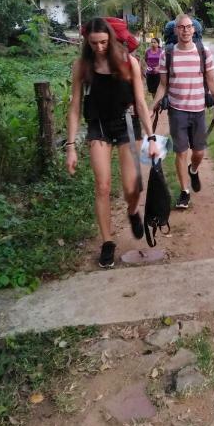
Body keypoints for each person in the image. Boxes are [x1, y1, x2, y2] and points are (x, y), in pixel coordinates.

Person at [66, 17, 159, 269]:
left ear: (112, 39)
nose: (99, 47)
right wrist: (71, 146)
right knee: (102, 186)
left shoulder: (129, 63)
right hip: (98, 126)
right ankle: (107, 242)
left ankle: (131, 211)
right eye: (94, 43)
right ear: (87, 41)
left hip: (127, 123)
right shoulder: (82, 66)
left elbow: (140, 103)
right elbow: (74, 107)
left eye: (104, 42)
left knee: (133, 187)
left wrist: (151, 138)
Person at [153, 13, 214, 209]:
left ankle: (194, 170)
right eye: (181, 27)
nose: (185, 30)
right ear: (175, 30)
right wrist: (153, 105)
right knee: (181, 152)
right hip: (177, 110)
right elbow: (162, 85)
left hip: (199, 109)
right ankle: (184, 192)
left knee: (198, 152)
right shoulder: (167, 54)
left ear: (194, 29)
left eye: (188, 26)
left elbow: (211, 79)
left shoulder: (203, 51)